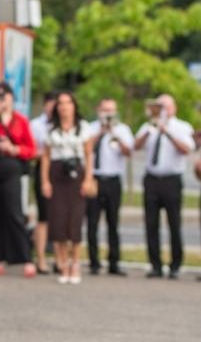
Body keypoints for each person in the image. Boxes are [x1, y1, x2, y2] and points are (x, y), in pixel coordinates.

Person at [0, 81, 37, 277]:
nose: (2, 99)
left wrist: (14, 149)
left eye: (5, 96)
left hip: (11, 166)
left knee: (13, 212)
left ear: (12, 97)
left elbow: (31, 149)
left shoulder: (21, 121)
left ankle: (25, 257)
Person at [134, 94, 195, 278]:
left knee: (174, 223)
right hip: (152, 179)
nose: (162, 110)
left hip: (171, 180)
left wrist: (167, 132)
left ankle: (175, 265)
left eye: (165, 106)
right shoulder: (148, 126)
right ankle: (155, 265)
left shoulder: (182, 127)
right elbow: (135, 146)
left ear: (173, 108)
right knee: (151, 224)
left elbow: (187, 149)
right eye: (159, 106)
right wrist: (150, 130)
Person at [40, 91, 94, 284]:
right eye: (61, 104)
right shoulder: (51, 130)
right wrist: (45, 181)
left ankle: (75, 263)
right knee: (58, 219)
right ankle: (62, 263)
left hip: (76, 175)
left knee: (75, 220)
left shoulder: (84, 128)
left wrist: (88, 179)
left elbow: (89, 155)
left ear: (74, 106)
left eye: (68, 103)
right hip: (57, 174)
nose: (64, 107)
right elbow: (45, 157)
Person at [86, 98, 134, 275]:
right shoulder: (90, 127)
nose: (108, 114)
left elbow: (129, 152)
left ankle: (114, 262)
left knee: (113, 223)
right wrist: (101, 132)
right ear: (98, 110)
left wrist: (115, 135)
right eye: (105, 110)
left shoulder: (122, 129)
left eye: (111, 111)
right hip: (95, 179)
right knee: (92, 222)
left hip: (113, 180)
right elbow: (86, 148)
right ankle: (94, 262)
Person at [29, 91, 57, 273]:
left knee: (62, 217)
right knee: (44, 216)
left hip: (62, 172)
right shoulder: (35, 125)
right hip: (42, 169)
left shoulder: (65, 125)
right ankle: (40, 259)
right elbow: (31, 151)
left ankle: (60, 259)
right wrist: (46, 154)